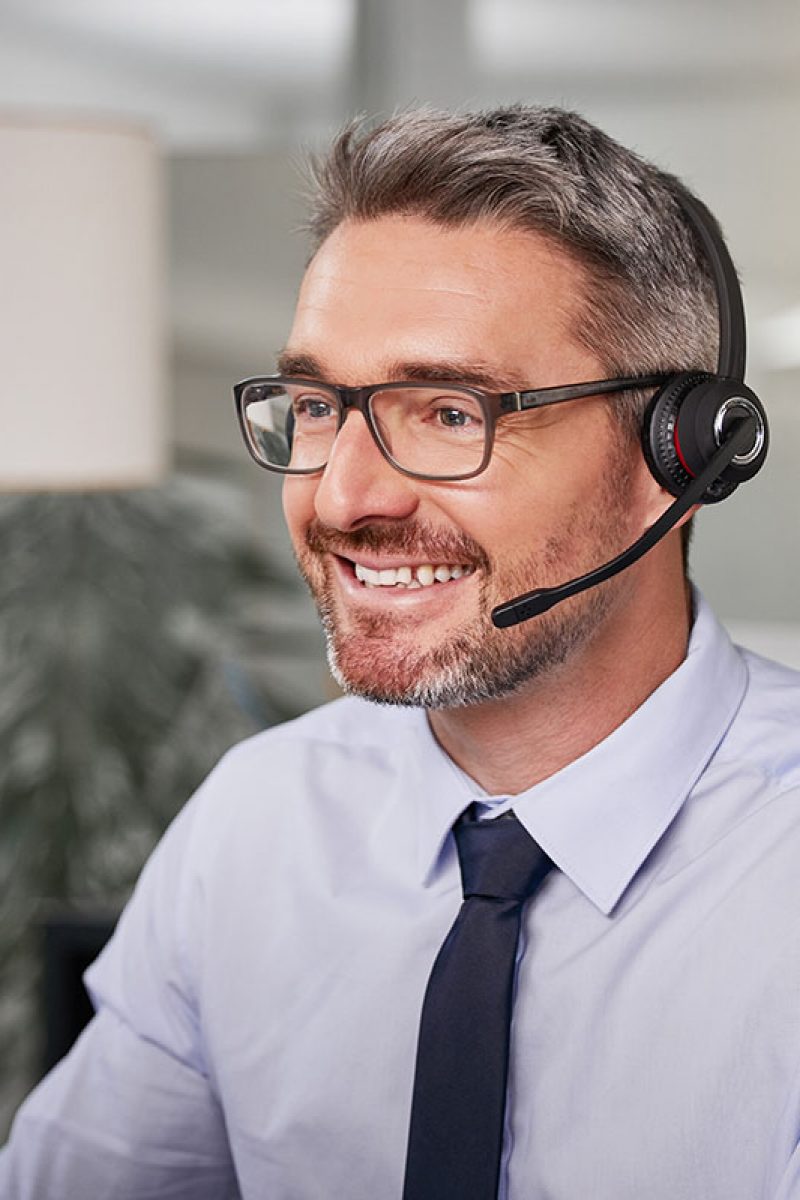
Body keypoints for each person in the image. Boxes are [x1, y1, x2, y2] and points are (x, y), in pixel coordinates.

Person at [2, 104, 799, 1200]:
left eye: (447, 412)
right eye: (320, 404)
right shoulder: (259, 822)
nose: (344, 496)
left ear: (682, 449)